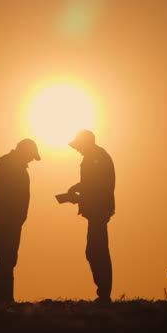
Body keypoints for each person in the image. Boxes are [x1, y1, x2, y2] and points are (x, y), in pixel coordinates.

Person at [62, 129, 115, 302]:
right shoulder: (95, 157)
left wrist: (79, 190)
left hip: (98, 211)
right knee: (95, 251)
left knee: (96, 251)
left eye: (79, 146)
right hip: (96, 210)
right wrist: (77, 190)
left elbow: (97, 185)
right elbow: (92, 184)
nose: (77, 150)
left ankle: (104, 294)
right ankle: (103, 293)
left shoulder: (97, 158)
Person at [0, 138, 40, 303]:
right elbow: (2, 195)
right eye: (30, 156)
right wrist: (10, 218)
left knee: (7, 258)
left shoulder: (8, 164)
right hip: (3, 219)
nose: (31, 160)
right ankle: (3, 299)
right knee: (6, 258)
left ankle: (4, 298)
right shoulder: (9, 165)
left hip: (9, 220)